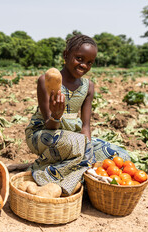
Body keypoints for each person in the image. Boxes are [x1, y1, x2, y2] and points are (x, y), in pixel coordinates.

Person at [25, 34, 130, 195]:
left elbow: (86, 126)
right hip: (45, 135)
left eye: (89, 62)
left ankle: (77, 175)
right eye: (79, 58)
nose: (84, 65)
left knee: (119, 155)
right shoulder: (46, 81)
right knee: (72, 143)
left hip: (76, 139)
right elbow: (49, 124)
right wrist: (57, 115)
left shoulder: (88, 87)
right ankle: (48, 178)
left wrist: (89, 153)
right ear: (66, 55)